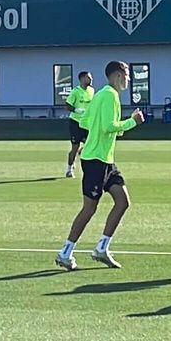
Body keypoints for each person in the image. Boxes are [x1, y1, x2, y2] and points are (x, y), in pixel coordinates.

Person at [54, 61, 145, 271]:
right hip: (96, 160)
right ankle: (65, 252)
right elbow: (107, 126)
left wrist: (108, 130)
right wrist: (132, 122)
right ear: (118, 75)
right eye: (127, 75)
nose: (129, 80)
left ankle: (102, 248)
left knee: (122, 201)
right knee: (89, 208)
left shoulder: (100, 95)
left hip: (105, 160)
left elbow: (85, 121)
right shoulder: (110, 95)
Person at [64, 71, 95, 178]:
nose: (91, 80)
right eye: (88, 78)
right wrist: (77, 110)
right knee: (75, 147)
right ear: (82, 79)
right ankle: (69, 168)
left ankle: (87, 166)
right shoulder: (75, 91)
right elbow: (67, 105)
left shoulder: (92, 91)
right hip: (76, 122)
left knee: (92, 143)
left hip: (87, 123)